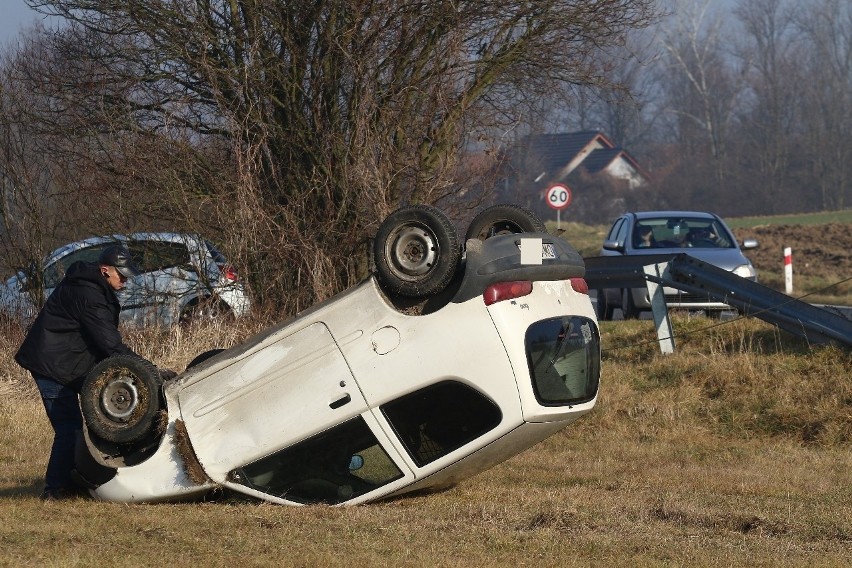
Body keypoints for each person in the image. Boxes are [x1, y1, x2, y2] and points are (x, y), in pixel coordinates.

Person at [15, 244, 167, 500]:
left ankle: (75, 481)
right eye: (122, 275)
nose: (126, 280)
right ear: (105, 270)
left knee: (86, 423)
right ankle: (54, 490)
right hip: (52, 366)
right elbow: (110, 344)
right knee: (69, 427)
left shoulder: (93, 287)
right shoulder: (90, 295)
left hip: (67, 361)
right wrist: (148, 370)